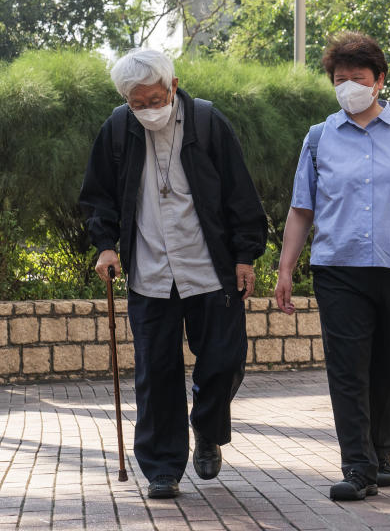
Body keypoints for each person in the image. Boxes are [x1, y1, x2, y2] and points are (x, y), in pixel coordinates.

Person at [274, 32, 390, 501]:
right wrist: (285, 269)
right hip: (339, 269)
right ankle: (356, 466)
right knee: (348, 368)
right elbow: (302, 209)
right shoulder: (319, 139)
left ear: (379, 81)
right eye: (340, 79)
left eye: (358, 78)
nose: (349, 86)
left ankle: (381, 449)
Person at [79, 48, 267, 499]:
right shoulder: (117, 129)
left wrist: (245, 255)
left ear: (174, 86)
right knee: (157, 372)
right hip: (150, 272)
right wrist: (106, 246)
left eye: (155, 99)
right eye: (137, 103)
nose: (148, 110)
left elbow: (241, 193)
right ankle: (163, 467)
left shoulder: (206, 122)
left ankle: (206, 428)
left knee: (223, 362)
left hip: (210, 269)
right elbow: (97, 195)